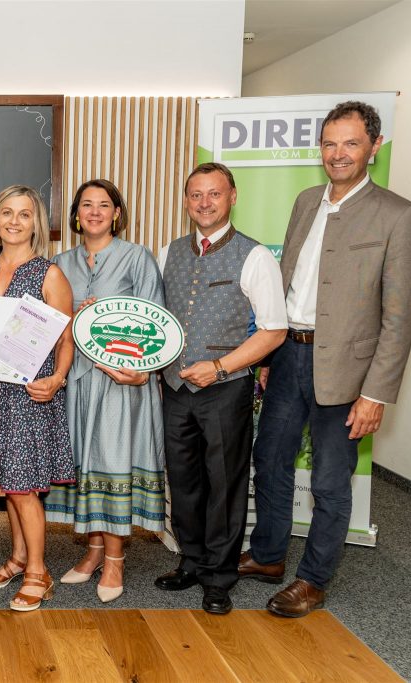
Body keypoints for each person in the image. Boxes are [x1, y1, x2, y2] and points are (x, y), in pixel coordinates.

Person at [241, 101, 411, 618]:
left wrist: (376, 394)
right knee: (269, 460)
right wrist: (268, 353)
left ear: (374, 146)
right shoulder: (305, 201)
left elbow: (399, 317)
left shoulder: (400, 215)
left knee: (328, 480)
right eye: (329, 143)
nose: (338, 154)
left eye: (350, 143)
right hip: (287, 357)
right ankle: (269, 555)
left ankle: (314, 579)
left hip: (348, 372)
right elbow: (288, 281)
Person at [155, 162, 287, 615]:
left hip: (226, 388)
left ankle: (219, 576)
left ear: (232, 197)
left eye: (214, 193)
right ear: (186, 201)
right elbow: (157, 320)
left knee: (225, 485)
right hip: (175, 387)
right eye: (196, 194)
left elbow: (273, 330)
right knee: (183, 481)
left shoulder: (255, 256)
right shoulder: (168, 252)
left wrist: (219, 366)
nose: (204, 203)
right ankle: (191, 561)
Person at [43, 180, 165, 604]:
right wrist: (73, 316)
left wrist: (140, 372)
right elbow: (48, 323)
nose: (94, 211)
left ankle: (115, 559)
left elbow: (155, 324)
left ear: (116, 213)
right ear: (76, 214)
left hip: (119, 382)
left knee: (113, 463)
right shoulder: (60, 262)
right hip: (75, 379)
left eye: (104, 205)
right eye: (86, 205)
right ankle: (93, 551)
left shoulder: (137, 257)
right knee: (86, 463)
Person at [0, 185, 75, 612]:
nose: (14, 221)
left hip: (29, 395)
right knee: (9, 485)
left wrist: (58, 379)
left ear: (36, 223)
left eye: (24, 214)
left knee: (24, 487)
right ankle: (17, 558)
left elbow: (65, 339)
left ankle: (38, 573)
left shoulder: (50, 274)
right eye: (6, 212)